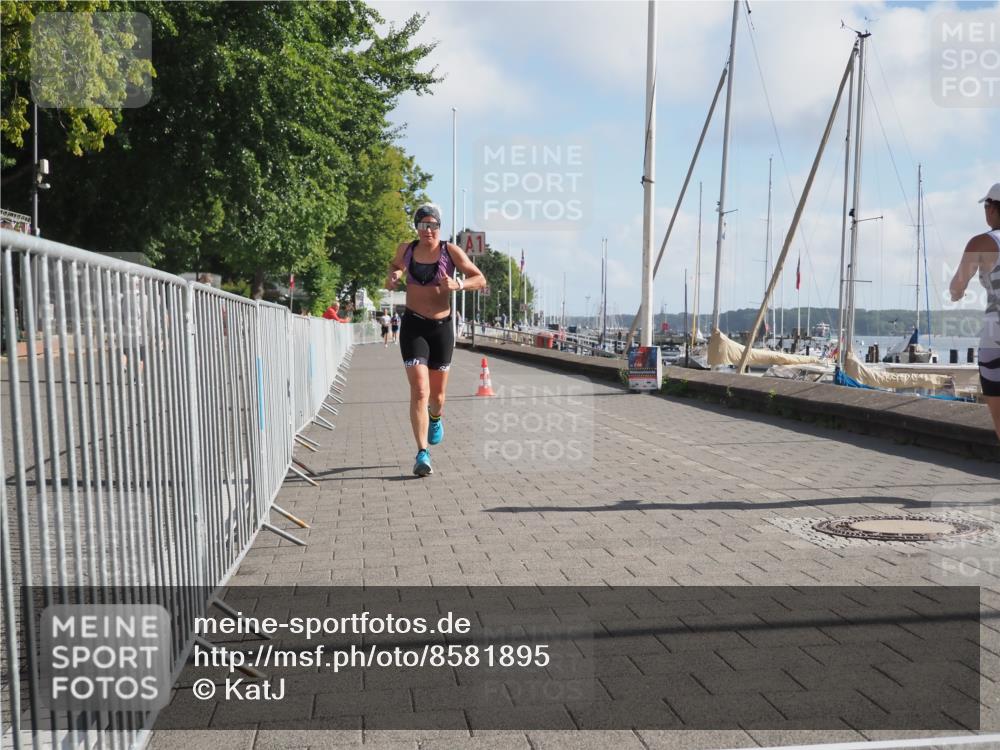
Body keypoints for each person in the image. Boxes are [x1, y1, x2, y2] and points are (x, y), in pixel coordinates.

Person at [386, 203, 486, 476]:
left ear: (439, 228)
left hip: (441, 328)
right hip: (413, 326)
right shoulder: (406, 250)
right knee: (420, 390)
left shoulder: (450, 251)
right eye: (423, 225)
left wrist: (459, 284)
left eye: (434, 225)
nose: (429, 230)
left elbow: (480, 278)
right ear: (416, 227)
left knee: (437, 397)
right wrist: (394, 274)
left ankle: (436, 416)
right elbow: (395, 266)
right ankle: (421, 453)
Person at [950, 182, 1000, 441]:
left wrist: (956, 294)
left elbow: (958, 285)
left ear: (992, 209)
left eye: (986, 206)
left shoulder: (983, 242)